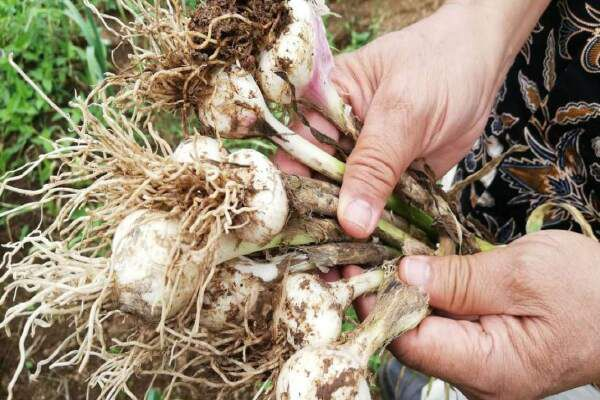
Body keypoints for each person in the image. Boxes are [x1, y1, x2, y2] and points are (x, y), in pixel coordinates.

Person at [276, 0, 600, 398]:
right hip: (514, 111)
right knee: (436, 280)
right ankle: (413, 373)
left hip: (582, 301)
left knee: (546, 372)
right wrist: (480, 27)